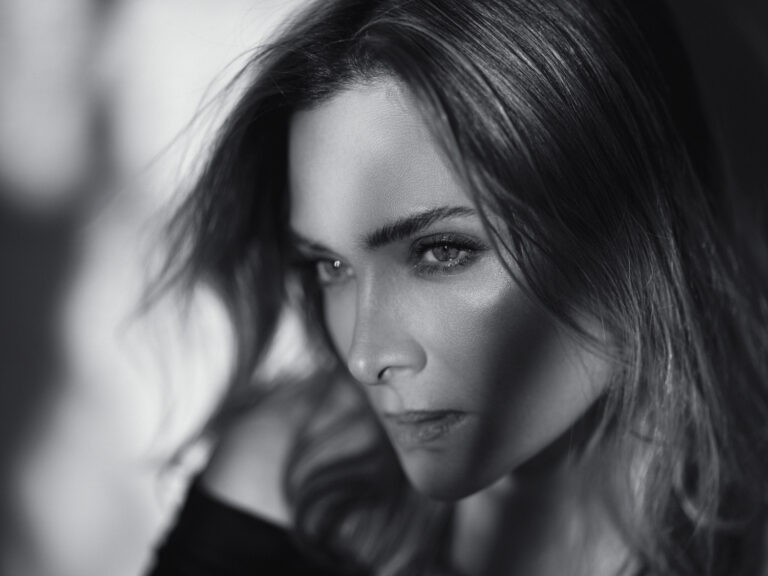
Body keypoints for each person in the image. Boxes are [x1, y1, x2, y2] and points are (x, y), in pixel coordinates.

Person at [148, 0, 768, 574]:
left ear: (633, 230)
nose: (365, 357)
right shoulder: (294, 476)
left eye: (442, 252)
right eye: (330, 266)